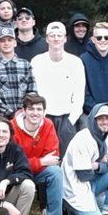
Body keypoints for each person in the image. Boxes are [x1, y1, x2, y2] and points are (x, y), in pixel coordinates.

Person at [61, 104, 108, 215]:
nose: (104, 122)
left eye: (107, 118)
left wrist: (96, 166)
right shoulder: (83, 138)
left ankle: (107, 211)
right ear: (94, 120)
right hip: (76, 186)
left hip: (93, 181)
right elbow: (84, 175)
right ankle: (70, 209)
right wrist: (101, 164)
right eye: (100, 118)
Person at [10, 93, 67, 215]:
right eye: (31, 109)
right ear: (24, 111)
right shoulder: (12, 127)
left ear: (44, 112)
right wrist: (41, 161)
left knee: (55, 172)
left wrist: (34, 163)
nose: (35, 113)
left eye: (39, 109)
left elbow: (53, 156)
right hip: (17, 174)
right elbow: (13, 163)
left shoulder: (48, 125)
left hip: (40, 172)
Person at [29, 22, 86, 150]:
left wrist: (71, 121)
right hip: (43, 118)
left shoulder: (75, 62)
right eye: (52, 35)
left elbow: (79, 95)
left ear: (65, 39)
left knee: (67, 160)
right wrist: (39, 117)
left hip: (67, 118)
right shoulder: (37, 61)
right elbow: (33, 92)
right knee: (44, 156)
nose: (56, 38)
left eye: (59, 35)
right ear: (47, 39)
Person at [0, 27, 37, 122]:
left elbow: (32, 90)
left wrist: (23, 111)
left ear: (15, 43)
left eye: (9, 40)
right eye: (2, 41)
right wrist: (10, 113)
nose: (6, 43)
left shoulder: (25, 65)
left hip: (24, 117)